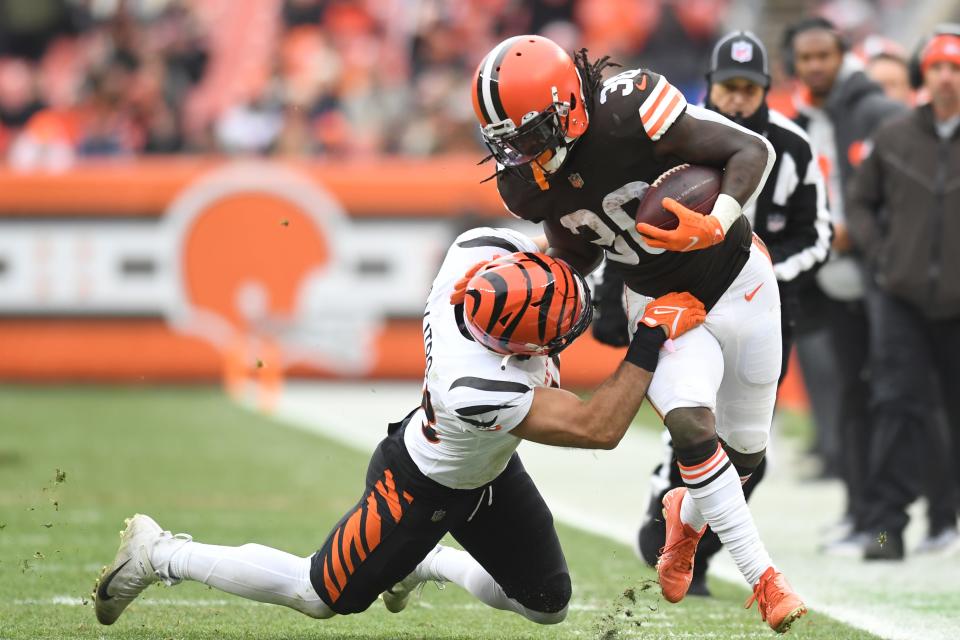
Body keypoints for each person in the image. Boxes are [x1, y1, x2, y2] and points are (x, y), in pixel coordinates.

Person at [93, 226, 708, 627]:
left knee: (546, 605)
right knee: (320, 595)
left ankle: (426, 565)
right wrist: (650, 335)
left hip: (488, 474)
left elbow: (548, 233)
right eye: (555, 330)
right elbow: (599, 427)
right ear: (517, 345)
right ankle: (161, 554)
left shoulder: (473, 260)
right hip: (420, 486)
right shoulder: (478, 388)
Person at [473, 34, 806, 633]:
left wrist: (715, 220)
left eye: (530, 134)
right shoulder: (525, 183)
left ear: (567, 107)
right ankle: (766, 578)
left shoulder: (630, 108)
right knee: (690, 428)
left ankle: (688, 513)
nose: (520, 153)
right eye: (509, 141)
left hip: (739, 279)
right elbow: (575, 248)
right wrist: (546, 300)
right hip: (659, 300)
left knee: (747, 452)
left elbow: (751, 150)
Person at [628, 30, 832, 596]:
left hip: (760, 311)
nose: (738, 98)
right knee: (691, 431)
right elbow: (634, 222)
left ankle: (696, 544)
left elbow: (816, 236)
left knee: (749, 452)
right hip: (686, 307)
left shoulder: (790, 145)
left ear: (766, 89)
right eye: (728, 86)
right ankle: (667, 538)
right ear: (711, 85)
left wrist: (759, 276)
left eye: (748, 88)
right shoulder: (679, 138)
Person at [782, 17, 904, 554]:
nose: (814, 66)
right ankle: (861, 518)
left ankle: (886, 528)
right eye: (804, 58)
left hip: (883, 276)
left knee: (890, 402)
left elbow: (900, 193)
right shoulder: (803, 117)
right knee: (853, 400)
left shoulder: (874, 110)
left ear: (842, 56)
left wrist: (862, 230)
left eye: (822, 56)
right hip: (832, 279)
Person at [846, 32, 960, 560]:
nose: (945, 76)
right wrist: (883, 257)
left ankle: (946, 521)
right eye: (936, 66)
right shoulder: (893, 137)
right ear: (923, 75)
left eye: (955, 67)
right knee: (895, 407)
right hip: (902, 299)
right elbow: (860, 203)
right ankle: (886, 531)